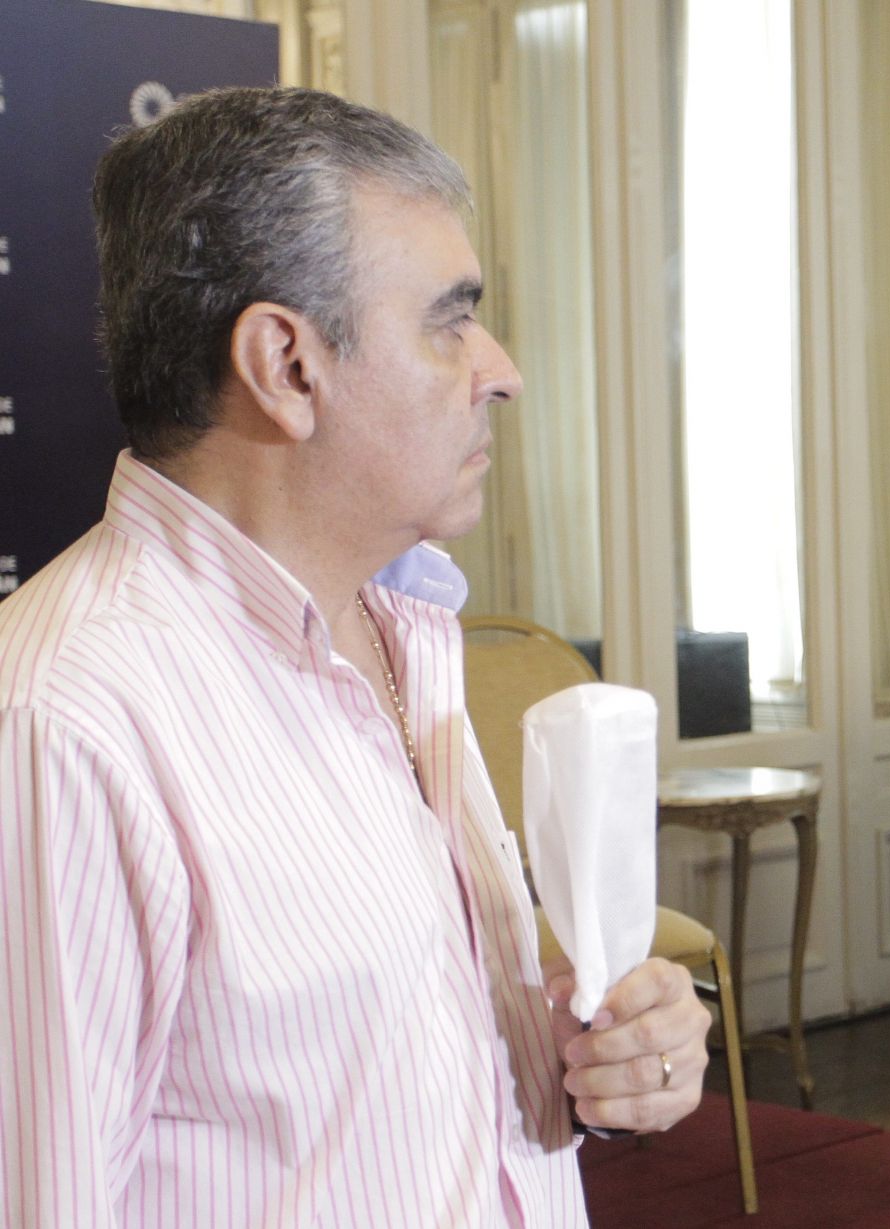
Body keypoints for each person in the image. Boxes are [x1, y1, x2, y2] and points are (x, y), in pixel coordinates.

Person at [0, 87, 708, 1227]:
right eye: (449, 319)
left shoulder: (403, 631)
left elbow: (377, 1100)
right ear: (287, 364)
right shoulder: (61, 722)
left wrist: (597, 1070)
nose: (501, 369)